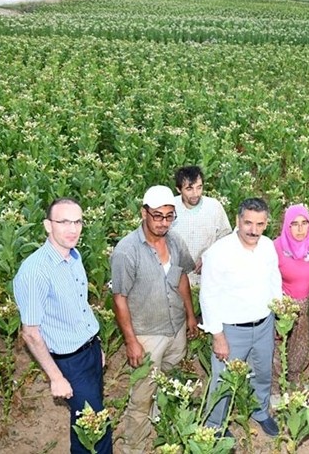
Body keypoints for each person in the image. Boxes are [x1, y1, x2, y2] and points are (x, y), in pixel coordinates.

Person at [13, 198, 113, 454]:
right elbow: (31, 333)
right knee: (95, 428)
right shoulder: (34, 271)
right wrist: (56, 377)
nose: (73, 229)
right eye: (64, 222)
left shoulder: (74, 256)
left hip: (89, 351)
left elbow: (80, 306)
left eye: (78, 221)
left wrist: (96, 346)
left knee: (86, 422)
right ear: (48, 225)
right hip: (69, 363)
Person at [111, 185, 198, 453]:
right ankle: (134, 447)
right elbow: (119, 298)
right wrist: (131, 341)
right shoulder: (127, 251)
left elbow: (182, 277)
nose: (163, 223)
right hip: (147, 334)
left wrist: (190, 315)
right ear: (144, 213)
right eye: (157, 216)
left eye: (169, 216)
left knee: (170, 380)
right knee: (141, 395)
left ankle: (162, 424)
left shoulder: (176, 242)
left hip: (175, 327)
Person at [200, 197, 283, 437]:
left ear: (266, 223)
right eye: (248, 223)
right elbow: (208, 296)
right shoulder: (219, 252)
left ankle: (260, 412)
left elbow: (273, 279)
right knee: (223, 380)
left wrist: (278, 315)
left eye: (259, 224)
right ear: (238, 220)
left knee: (263, 371)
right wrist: (218, 336)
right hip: (231, 330)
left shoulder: (267, 246)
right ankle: (215, 426)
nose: (253, 230)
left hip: (264, 324)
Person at [272, 204, 309, 386]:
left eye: (304, 223)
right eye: (294, 224)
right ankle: (275, 384)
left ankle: (294, 377)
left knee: (300, 344)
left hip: (305, 303)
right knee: (278, 345)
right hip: (283, 305)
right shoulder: (277, 247)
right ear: (286, 226)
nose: (300, 229)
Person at [171, 165, 231, 286]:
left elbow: (226, 238)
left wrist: (209, 258)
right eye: (189, 189)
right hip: (176, 278)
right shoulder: (170, 207)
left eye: (199, 187)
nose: (195, 193)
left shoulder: (214, 207)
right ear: (178, 189)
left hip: (208, 277)